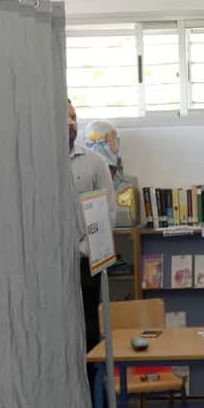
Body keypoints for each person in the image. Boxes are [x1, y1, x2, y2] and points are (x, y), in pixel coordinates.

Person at [68, 100, 116, 350]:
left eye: (74, 117)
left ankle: (89, 387)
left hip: (85, 261)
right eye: (66, 117)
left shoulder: (94, 162)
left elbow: (107, 212)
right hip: (46, 263)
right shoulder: (38, 163)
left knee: (88, 331)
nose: (71, 123)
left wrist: (83, 250)